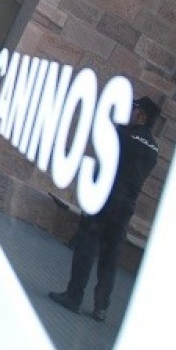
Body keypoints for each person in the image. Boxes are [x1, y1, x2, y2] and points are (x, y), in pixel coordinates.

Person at [50, 96, 161, 322]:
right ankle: (101, 306)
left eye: (135, 109)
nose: (131, 112)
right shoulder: (154, 149)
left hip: (106, 198)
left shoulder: (123, 134)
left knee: (87, 245)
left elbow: (105, 160)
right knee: (110, 256)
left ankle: (74, 296)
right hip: (126, 206)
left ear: (142, 115)